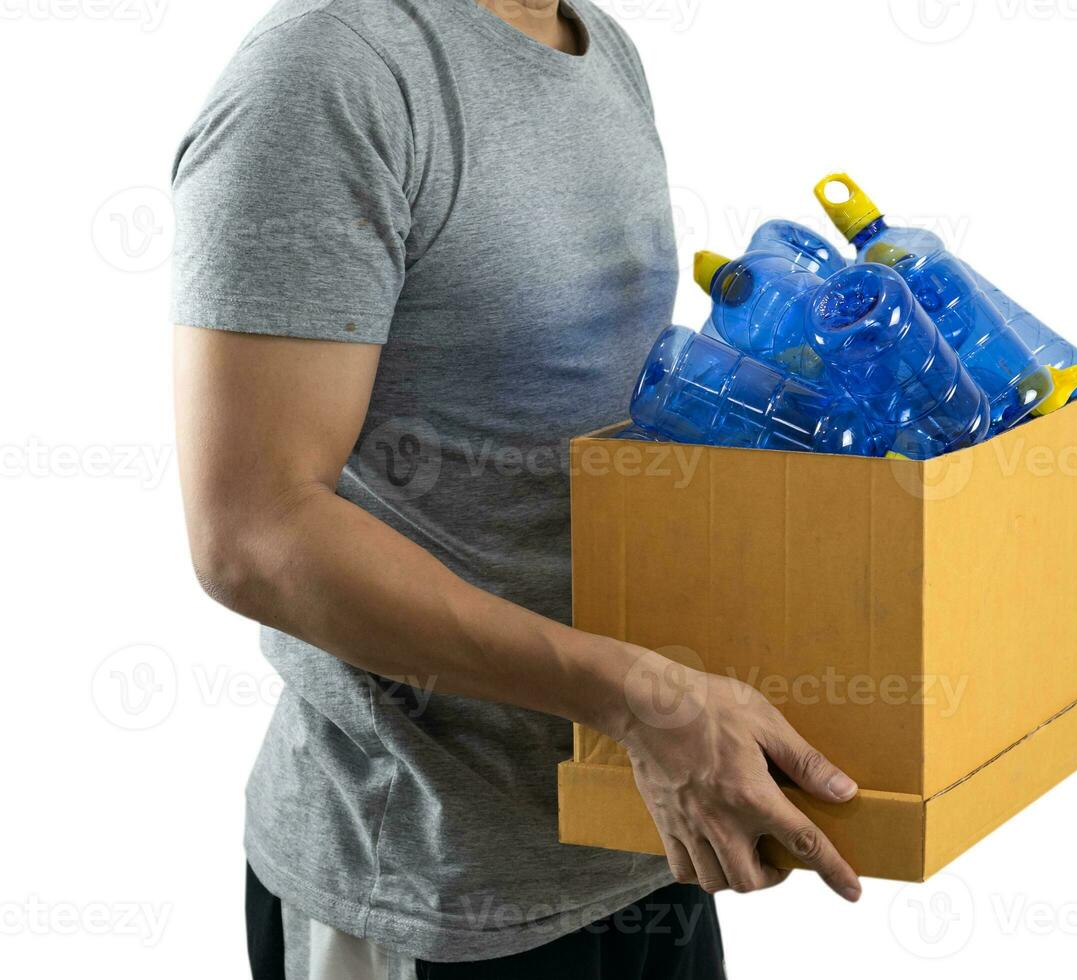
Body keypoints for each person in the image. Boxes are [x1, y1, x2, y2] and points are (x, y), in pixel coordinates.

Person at [170, 2, 860, 976]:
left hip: (648, 828)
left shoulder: (599, 49)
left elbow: (583, 433)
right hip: (429, 886)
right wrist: (635, 698)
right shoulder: (329, 74)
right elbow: (253, 532)